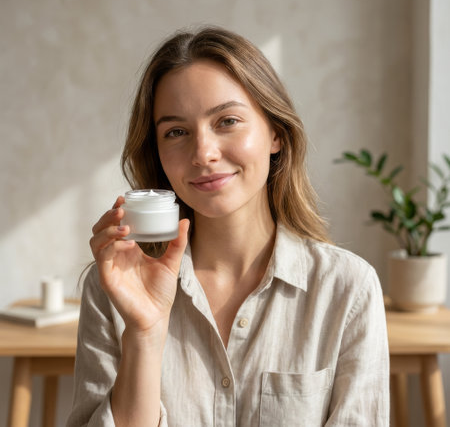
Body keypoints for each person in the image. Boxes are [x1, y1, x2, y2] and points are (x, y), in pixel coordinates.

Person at [67, 26, 389, 427]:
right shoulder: (113, 288)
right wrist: (144, 335)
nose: (203, 153)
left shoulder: (347, 289)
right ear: (159, 152)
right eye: (176, 132)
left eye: (227, 121)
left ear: (275, 132)